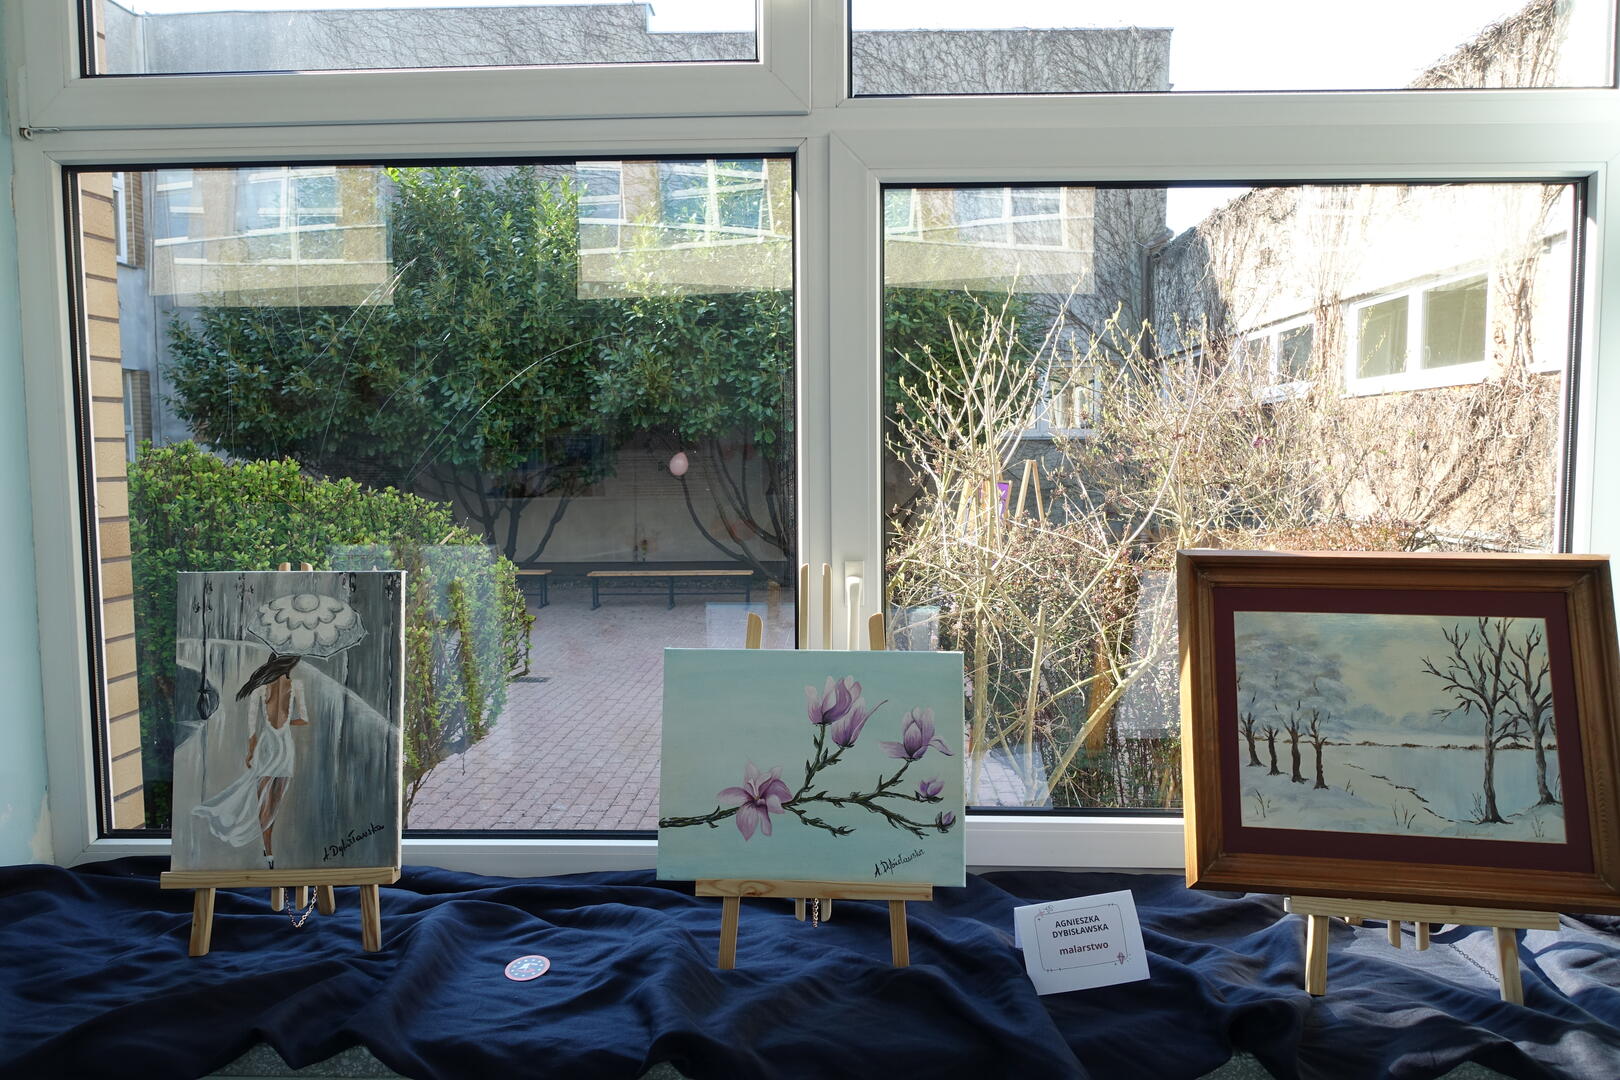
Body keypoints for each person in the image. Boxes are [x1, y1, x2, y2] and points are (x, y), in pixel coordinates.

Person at [192, 654, 307, 868]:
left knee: (263, 801)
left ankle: (268, 851)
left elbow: (252, 732)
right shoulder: (296, 686)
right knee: (274, 804)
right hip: (285, 748)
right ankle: (268, 850)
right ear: (289, 665)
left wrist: (251, 753)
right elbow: (303, 719)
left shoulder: (259, 691)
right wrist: (287, 721)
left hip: (266, 747)